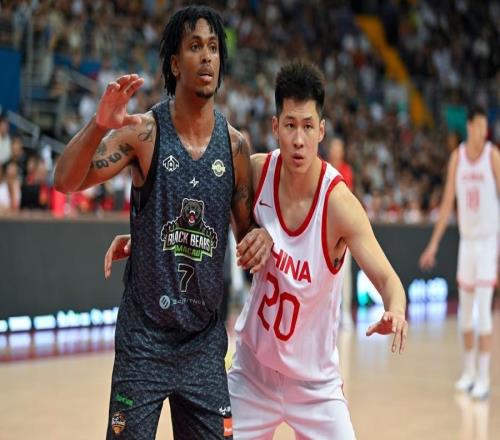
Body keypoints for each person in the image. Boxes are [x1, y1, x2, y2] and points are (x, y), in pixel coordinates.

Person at [107, 61, 409, 439]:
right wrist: (145, 240)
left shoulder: (339, 204)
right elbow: (195, 215)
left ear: (321, 130)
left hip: (315, 386)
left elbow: (387, 279)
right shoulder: (255, 171)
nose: (298, 139)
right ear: (275, 127)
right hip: (252, 375)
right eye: (290, 125)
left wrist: (396, 310)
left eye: (308, 126)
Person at [54, 5, 272, 439]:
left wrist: (263, 237)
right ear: (174, 63)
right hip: (144, 343)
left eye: (214, 48)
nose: (207, 57)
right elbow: (65, 180)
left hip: (203, 345)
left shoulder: (235, 147)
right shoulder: (144, 133)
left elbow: (246, 234)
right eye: (195, 46)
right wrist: (98, 126)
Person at [420, 106, 500, 400]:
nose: (482, 131)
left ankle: (484, 377)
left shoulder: (492, 156)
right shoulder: (458, 158)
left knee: (484, 312)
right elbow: (446, 204)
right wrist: (433, 244)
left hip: (488, 242)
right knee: (466, 313)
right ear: (469, 127)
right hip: (467, 242)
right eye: (477, 126)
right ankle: (468, 371)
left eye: (484, 127)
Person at [327, 136, 355, 329]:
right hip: (326, 228)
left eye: (339, 149)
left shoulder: (346, 170)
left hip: (344, 228)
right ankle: (328, 314)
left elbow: (347, 198)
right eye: (334, 148)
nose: (336, 152)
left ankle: (344, 313)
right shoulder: (323, 167)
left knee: (345, 273)